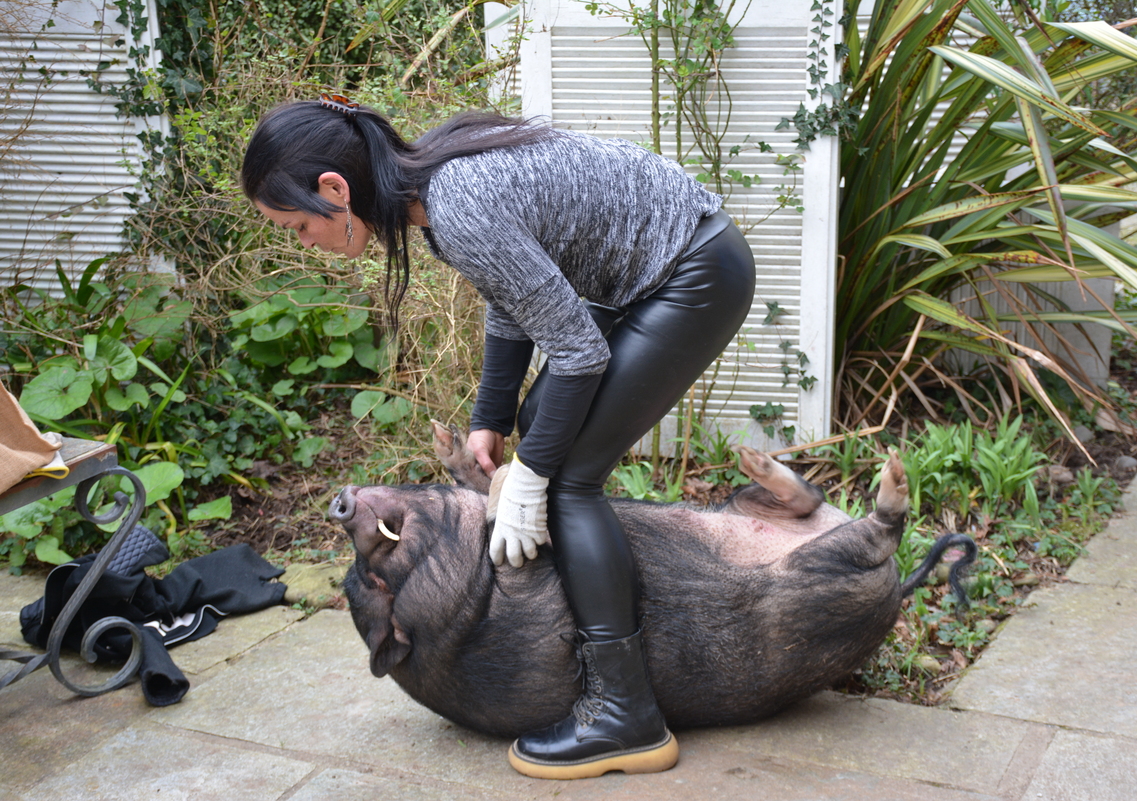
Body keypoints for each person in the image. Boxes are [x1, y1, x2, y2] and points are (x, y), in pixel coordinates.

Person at [241, 93, 756, 780]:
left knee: (570, 479)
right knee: (545, 425)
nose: (300, 241)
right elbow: (512, 298)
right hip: (660, 272)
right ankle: (608, 676)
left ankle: (625, 714)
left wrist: (534, 477)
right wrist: (492, 416)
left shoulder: (455, 203)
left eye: (297, 224)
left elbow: (577, 353)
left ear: (334, 190)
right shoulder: (434, 190)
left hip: (692, 273)